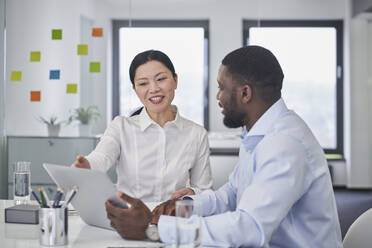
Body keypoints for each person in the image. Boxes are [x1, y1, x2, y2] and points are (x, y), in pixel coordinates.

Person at [105, 45, 343, 247]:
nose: (217, 96)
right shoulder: (258, 134)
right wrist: (181, 208)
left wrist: (154, 230)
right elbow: (229, 196)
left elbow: (249, 228)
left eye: (221, 87)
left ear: (245, 93)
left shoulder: (284, 143)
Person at [73, 50, 212, 202]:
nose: (153, 89)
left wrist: (192, 193)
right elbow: (102, 157)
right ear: (135, 89)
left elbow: (204, 190)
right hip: (129, 220)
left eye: (161, 79)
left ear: (175, 80)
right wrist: (87, 165)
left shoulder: (196, 134)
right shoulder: (121, 127)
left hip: (174, 220)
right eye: (143, 83)